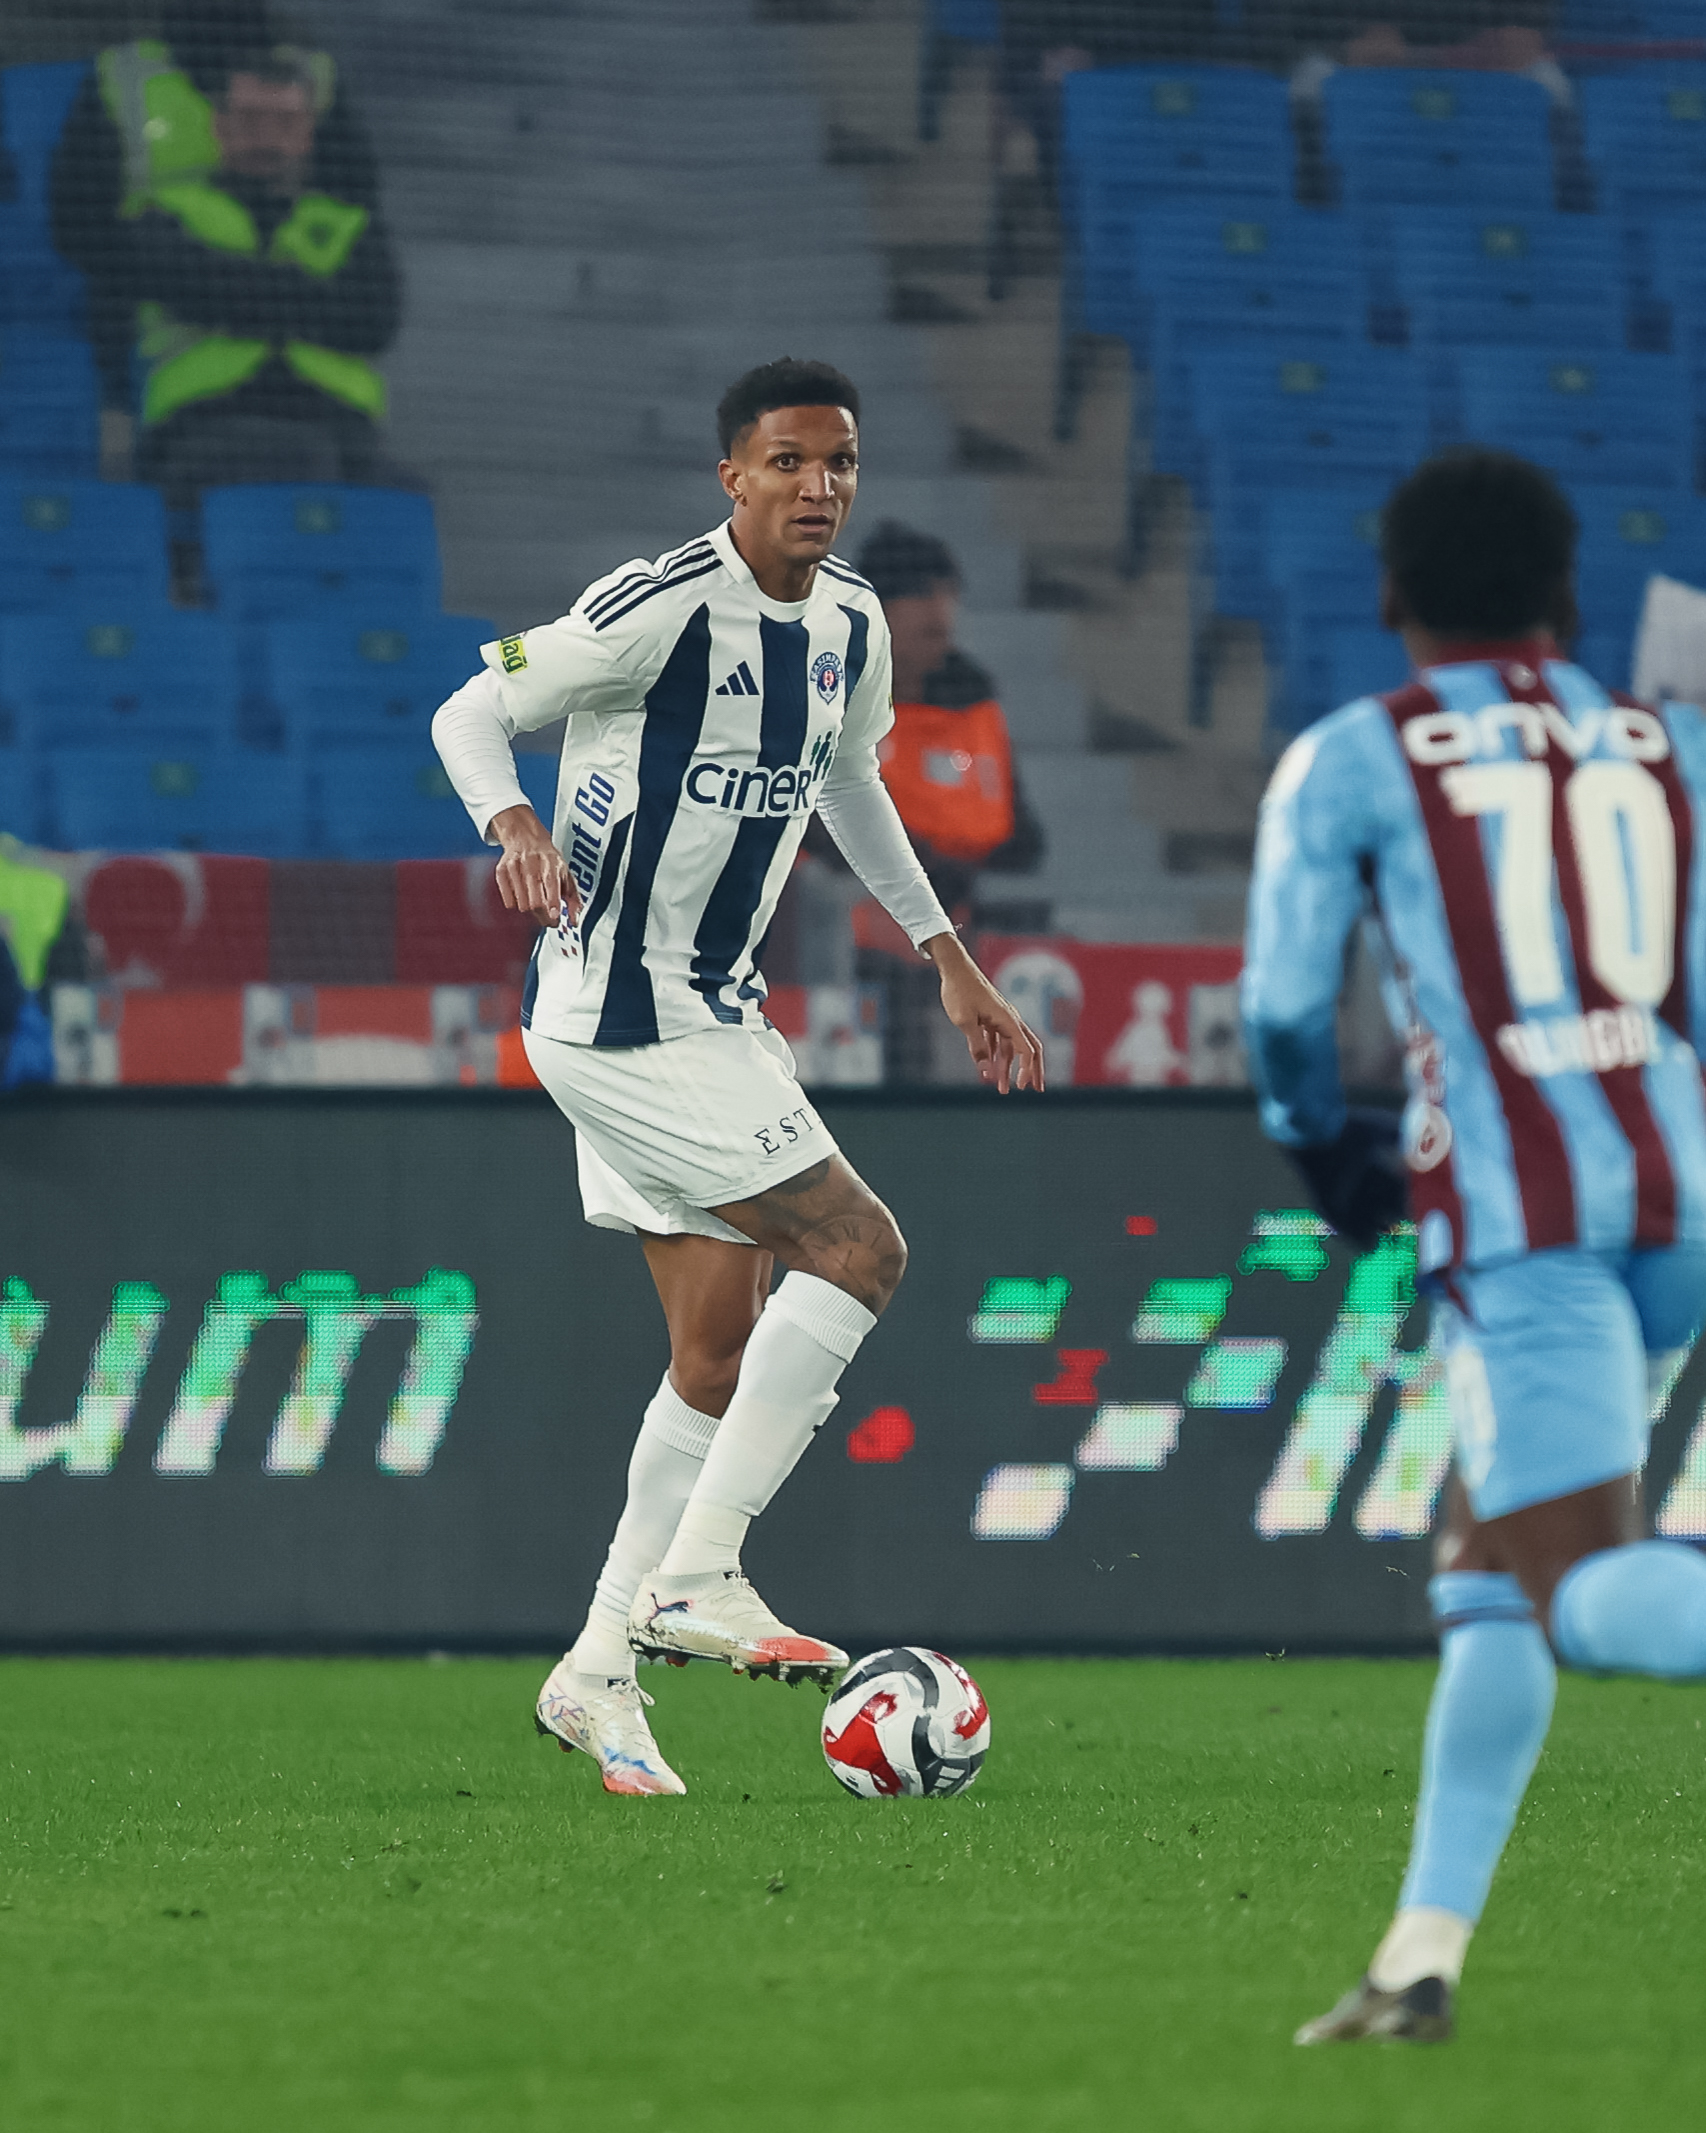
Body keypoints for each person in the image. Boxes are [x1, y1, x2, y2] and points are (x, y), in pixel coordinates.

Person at [431, 357, 1044, 1797]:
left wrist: (944, 953)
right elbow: (470, 712)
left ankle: (596, 1670)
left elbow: (849, 782)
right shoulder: (655, 608)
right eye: (786, 462)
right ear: (733, 476)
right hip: (620, 1021)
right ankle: (699, 1571)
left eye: (839, 463)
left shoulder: (850, 624)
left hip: (709, 1012)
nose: (817, 487)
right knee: (857, 1247)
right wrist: (512, 821)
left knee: (713, 1355)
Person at [1242, 445, 1706, 2044]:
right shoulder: (1668, 742)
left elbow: (1284, 1009)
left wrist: (1322, 1148)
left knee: (1576, 1588)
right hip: (1679, 1198)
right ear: (1566, 595)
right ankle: (1416, 1960)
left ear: (1390, 596)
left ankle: (1416, 1965)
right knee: (1485, 1570)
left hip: (1528, 1230)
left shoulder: (1352, 756)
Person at [50, 0, 400, 517]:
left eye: (285, 122)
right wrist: (303, 294)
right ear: (221, 125)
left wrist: (227, 289)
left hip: (332, 414)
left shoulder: (337, 216)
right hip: (205, 406)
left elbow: (374, 316)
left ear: (308, 133)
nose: (268, 138)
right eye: (250, 120)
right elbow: (92, 238)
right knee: (302, 467)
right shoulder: (162, 206)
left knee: (395, 501)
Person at [855, 520, 1044, 921]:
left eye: (949, 593)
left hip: (967, 912)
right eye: (921, 593)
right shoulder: (827, 701)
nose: (940, 609)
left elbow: (1023, 840)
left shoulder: (976, 706)